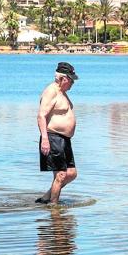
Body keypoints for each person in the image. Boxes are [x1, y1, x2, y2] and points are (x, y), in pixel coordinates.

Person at [36, 62, 79, 204]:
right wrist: (45, 139)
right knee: (60, 175)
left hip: (65, 139)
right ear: (63, 78)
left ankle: (46, 198)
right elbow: (41, 115)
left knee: (71, 174)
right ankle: (54, 208)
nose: (72, 83)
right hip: (53, 137)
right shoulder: (51, 91)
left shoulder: (62, 93)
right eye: (71, 80)